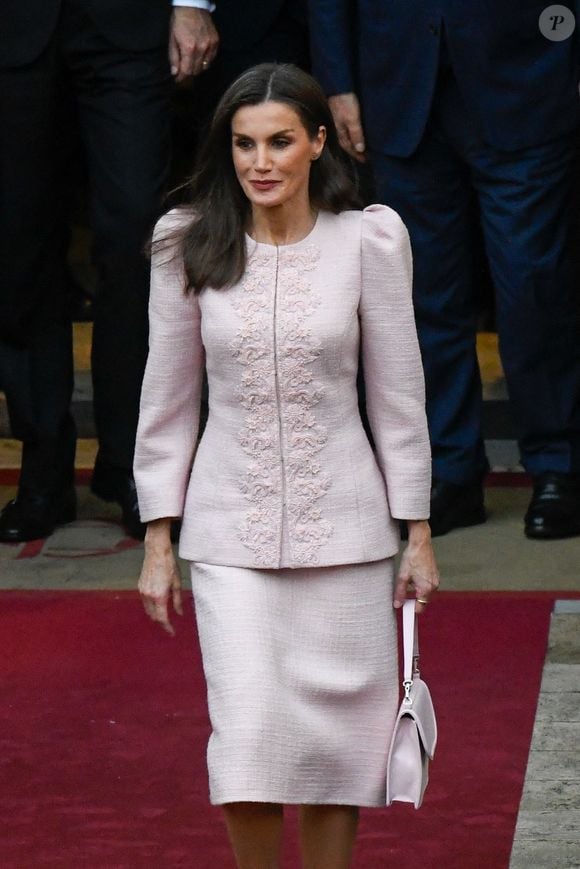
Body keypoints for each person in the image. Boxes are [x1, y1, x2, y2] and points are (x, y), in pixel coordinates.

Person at [134, 63, 439, 868]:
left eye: (277, 142)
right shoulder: (186, 242)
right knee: (246, 740)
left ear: (316, 141)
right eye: (242, 144)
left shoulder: (369, 240)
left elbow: (399, 397)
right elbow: (165, 404)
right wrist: (158, 539)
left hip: (349, 535)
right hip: (227, 535)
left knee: (340, 753)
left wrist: (418, 531)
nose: (258, 162)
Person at [308, 0, 580, 539]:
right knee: (420, 295)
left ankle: (558, 466)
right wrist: (336, 80)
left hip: (528, 75)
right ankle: (448, 469)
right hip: (399, 82)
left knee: (533, 286)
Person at [0, 0, 218, 543]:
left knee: (136, 237)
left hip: (126, 26)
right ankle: (43, 467)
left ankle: (131, 462)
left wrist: (191, 3)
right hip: (14, 27)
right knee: (17, 242)